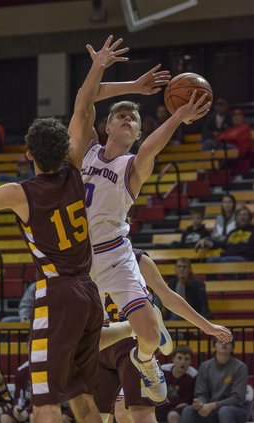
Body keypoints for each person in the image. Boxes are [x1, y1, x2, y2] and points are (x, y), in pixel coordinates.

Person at [0, 35, 132, 423]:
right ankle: (128, 327)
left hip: (57, 293)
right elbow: (83, 108)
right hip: (88, 291)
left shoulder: (19, 193)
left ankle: (131, 327)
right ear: (63, 150)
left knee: (45, 399)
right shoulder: (75, 169)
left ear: (28, 153)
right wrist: (98, 65)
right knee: (78, 392)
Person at [82, 63, 213, 402]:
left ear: (139, 133)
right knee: (83, 345)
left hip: (115, 256)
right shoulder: (86, 149)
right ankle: (128, 329)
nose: (127, 119)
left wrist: (178, 115)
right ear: (106, 125)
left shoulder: (133, 165)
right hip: (80, 260)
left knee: (151, 336)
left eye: (134, 119)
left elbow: (152, 147)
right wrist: (133, 88)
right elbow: (87, 95)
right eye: (121, 116)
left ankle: (145, 360)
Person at [95, 250, 232, 423]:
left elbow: (167, 296)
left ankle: (149, 332)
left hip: (132, 344)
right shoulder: (79, 258)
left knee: (140, 414)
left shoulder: (135, 258)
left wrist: (206, 326)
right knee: (100, 416)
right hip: (102, 342)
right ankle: (152, 323)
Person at [180, 337, 249, 423]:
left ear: (232, 347)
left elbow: (238, 398)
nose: (224, 344)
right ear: (214, 346)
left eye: (228, 342)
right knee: (188, 410)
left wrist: (214, 405)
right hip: (210, 409)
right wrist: (200, 403)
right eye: (220, 341)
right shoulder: (204, 366)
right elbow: (201, 393)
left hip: (236, 410)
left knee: (225, 411)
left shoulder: (240, 367)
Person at [155, 345, 197, 423]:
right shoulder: (163, 371)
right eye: (179, 358)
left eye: (186, 359)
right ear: (173, 359)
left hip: (180, 407)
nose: (183, 362)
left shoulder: (193, 375)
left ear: (191, 361)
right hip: (163, 405)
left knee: (173, 415)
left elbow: (189, 399)